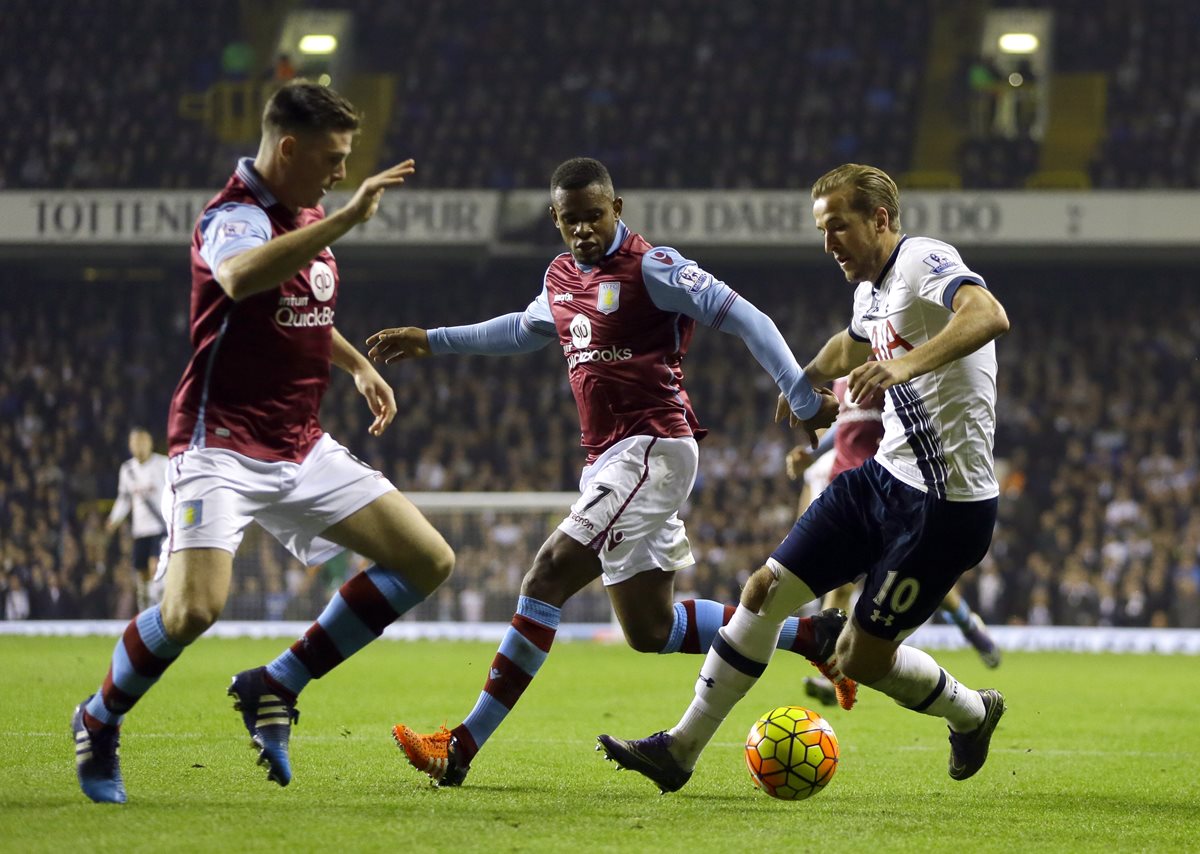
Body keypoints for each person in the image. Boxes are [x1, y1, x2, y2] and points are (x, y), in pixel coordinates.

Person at [367, 156, 841, 787]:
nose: (585, 229)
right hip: (612, 460)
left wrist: (804, 397)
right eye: (572, 220)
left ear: (617, 209)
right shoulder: (560, 276)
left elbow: (750, 319)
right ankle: (811, 634)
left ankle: (461, 744)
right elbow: (521, 329)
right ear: (555, 220)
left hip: (653, 447)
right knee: (649, 628)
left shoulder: (653, 267)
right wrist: (434, 339)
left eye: (596, 215)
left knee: (547, 573)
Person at [71, 80, 454, 805]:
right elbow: (244, 276)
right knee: (192, 612)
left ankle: (277, 682)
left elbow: (298, 302)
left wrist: (358, 364)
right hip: (221, 444)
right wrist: (345, 219)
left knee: (427, 560)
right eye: (333, 157)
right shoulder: (233, 216)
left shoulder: (302, 210)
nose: (341, 171)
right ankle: (99, 718)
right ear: (288, 147)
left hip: (301, 442)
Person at [598, 163, 1011, 792]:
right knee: (762, 589)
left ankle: (973, 713)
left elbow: (988, 314)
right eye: (822, 230)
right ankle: (678, 751)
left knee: (859, 660)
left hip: (946, 509)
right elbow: (850, 344)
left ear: (880, 219)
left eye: (839, 226)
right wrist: (804, 379)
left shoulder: (924, 259)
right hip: (881, 481)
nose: (829, 244)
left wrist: (905, 367)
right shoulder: (869, 291)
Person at [784, 376, 1001, 710]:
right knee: (841, 588)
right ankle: (834, 673)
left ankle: (969, 626)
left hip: (890, 487)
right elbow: (843, 425)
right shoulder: (843, 378)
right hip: (849, 486)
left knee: (916, 581)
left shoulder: (887, 366)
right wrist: (815, 455)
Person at [105, 427, 169, 611]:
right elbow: (124, 499)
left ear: (150, 444)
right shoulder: (127, 470)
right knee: (142, 574)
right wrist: (113, 519)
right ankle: (145, 608)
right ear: (130, 446)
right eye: (135, 443)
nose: (139, 446)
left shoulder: (163, 464)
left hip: (160, 526)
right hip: (140, 529)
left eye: (142, 442)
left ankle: (160, 608)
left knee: (154, 567)